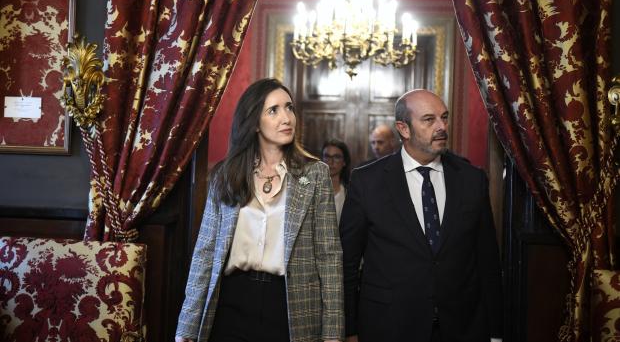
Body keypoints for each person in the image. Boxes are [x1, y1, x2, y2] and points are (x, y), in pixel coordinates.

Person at [176, 78, 344, 342]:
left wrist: (333, 332)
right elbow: (205, 253)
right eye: (273, 110)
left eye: (289, 108)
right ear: (254, 122)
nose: (286, 117)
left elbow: (329, 256)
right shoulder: (225, 175)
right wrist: (187, 325)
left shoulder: (315, 175)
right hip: (231, 301)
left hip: (290, 306)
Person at [340, 89, 502, 342]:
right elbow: (347, 264)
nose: (441, 127)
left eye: (444, 117)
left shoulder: (472, 179)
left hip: (462, 326)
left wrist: (495, 333)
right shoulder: (367, 182)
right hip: (389, 326)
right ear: (403, 129)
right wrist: (349, 330)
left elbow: (488, 261)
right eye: (429, 119)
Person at [321, 139, 351, 224]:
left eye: (336, 157)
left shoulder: (349, 193)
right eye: (327, 156)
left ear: (344, 162)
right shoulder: (312, 189)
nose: (331, 162)